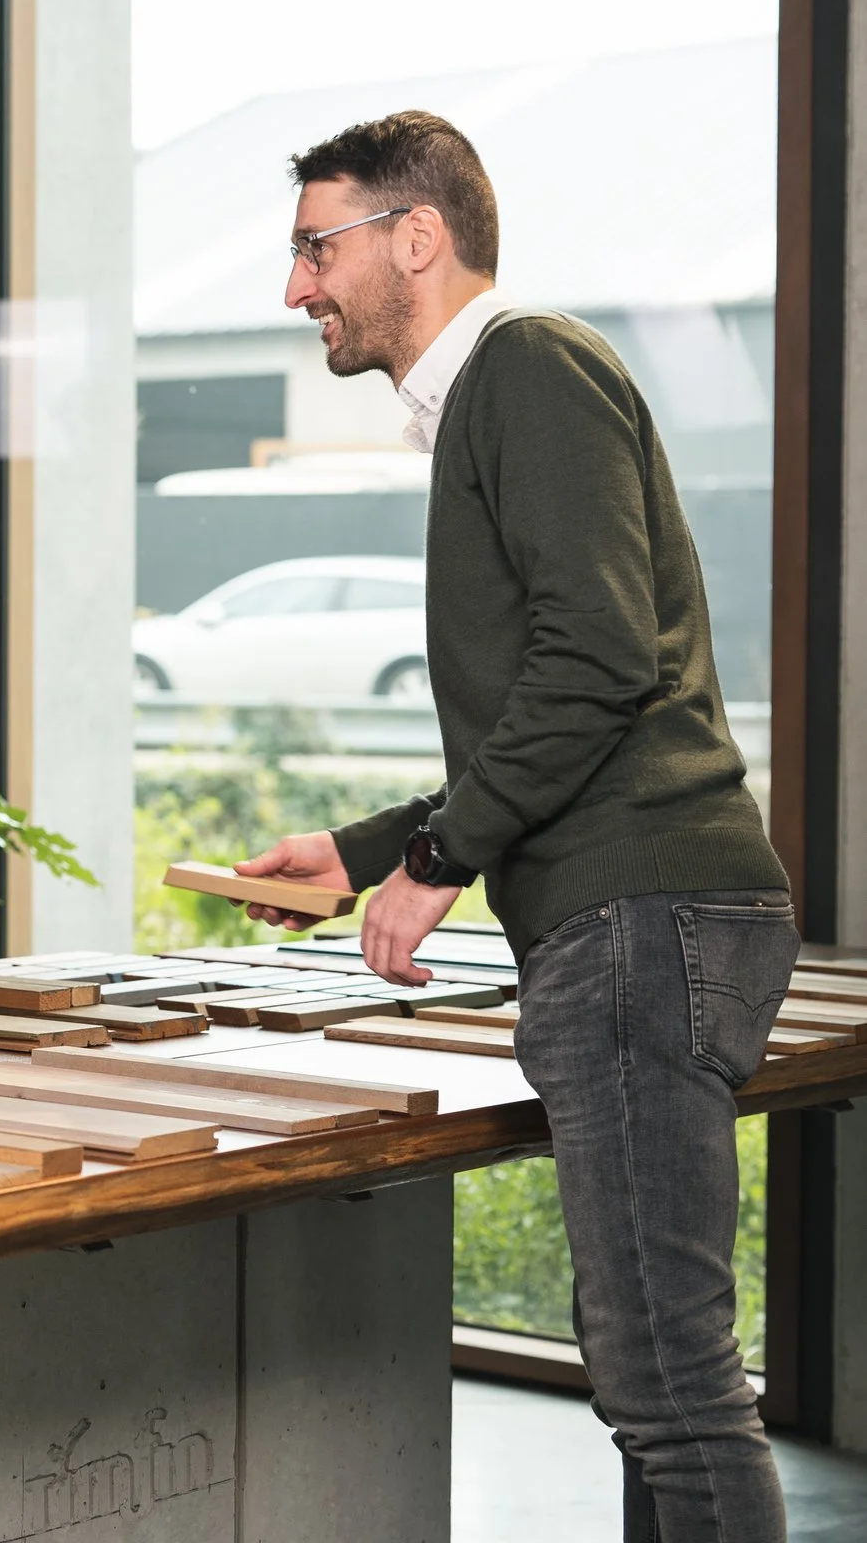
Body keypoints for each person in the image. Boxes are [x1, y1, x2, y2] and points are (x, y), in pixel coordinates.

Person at [235, 111, 795, 1543]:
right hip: (640, 914)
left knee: (670, 1387)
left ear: (415, 238)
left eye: (317, 248)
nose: (297, 287)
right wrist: (364, 851)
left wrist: (434, 868)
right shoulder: (497, 402)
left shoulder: (528, 370)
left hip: (642, 918)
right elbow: (563, 701)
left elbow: (601, 662)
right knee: (653, 1383)